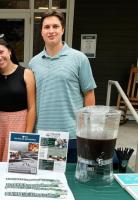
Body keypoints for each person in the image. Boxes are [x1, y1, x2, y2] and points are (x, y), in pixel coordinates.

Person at [28, 10, 97, 163]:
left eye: (55, 26)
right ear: (41, 31)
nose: (51, 31)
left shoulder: (79, 58)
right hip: (43, 135)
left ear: (62, 29)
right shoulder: (33, 63)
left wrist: (86, 129)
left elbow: (89, 94)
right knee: (50, 181)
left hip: (71, 135)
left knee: (72, 181)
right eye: (47, 27)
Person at [0, 35, 36, 162]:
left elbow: (32, 107)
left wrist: (27, 134)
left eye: (1, 52)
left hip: (20, 124)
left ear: (9, 51)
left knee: (19, 165)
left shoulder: (26, 73)